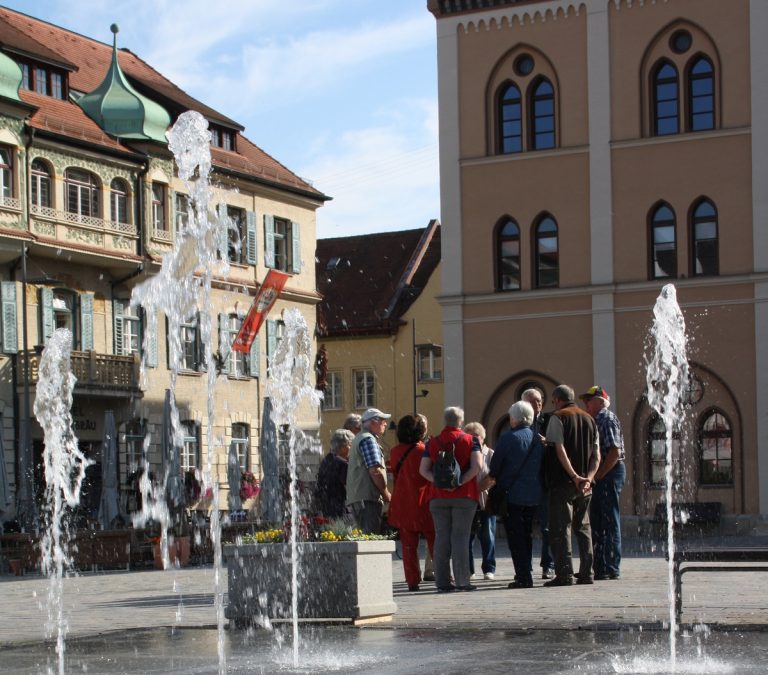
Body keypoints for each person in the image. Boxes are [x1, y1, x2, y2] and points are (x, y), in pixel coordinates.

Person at [419, 406, 482, 592]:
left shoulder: (433, 442)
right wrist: (460, 481)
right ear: (461, 422)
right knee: (460, 537)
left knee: (441, 538)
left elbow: (423, 470)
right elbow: (477, 465)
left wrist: (439, 483)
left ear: (445, 421)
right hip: (465, 496)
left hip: (438, 497)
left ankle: (443, 582)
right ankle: (463, 581)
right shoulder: (471, 440)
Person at [543, 384, 600, 587]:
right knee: (583, 527)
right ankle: (587, 572)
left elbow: (559, 449)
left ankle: (564, 574)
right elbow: (596, 454)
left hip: (563, 482)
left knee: (561, 528)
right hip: (585, 484)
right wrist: (589, 477)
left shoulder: (558, 417)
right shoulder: (590, 419)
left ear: (557, 400)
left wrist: (574, 476)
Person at [489, 401, 544, 589]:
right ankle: (526, 570)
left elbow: (495, 467)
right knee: (527, 534)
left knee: (515, 537)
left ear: (514, 418)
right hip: (534, 495)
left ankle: (523, 575)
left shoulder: (507, 438)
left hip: (512, 496)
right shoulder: (538, 439)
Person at [580, 385, 626, 581]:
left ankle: (610, 566)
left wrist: (598, 475)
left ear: (600, 401)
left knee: (608, 520)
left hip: (609, 472)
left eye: (589, 400)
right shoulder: (597, 419)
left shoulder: (605, 419)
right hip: (605, 472)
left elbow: (614, 452)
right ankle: (601, 566)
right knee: (599, 520)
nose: (586, 404)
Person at [388, 414, 435, 592]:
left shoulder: (394, 451)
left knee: (408, 546)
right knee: (434, 542)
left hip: (403, 503)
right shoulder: (424, 451)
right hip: (424, 501)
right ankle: (444, 576)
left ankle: (412, 580)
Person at [522, 387, 555, 580]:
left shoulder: (549, 420)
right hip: (526, 482)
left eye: (539, 401)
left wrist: (548, 443)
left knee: (547, 526)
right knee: (524, 526)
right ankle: (525, 567)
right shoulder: (519, 423)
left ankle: (547, 564)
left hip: (544, 480)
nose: (537, 404)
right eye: (533, 401)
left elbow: (560, 445)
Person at [346, 408, 392, 533]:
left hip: (358, 498)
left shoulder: (358, 438)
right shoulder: (368, 440)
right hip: (367, 499)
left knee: (364, 538)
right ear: (373, 422)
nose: (385, 424)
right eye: (382, 420)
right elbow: (375, 471)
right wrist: (386, 494)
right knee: (370, 541)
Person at [464, 421, 496, 580]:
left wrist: (480, 487)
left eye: (477, 437)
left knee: (488, 535)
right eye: (470, 438)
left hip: (485, 500)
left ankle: (489, 568)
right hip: (467, 501)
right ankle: (469, 570)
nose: (474, 441)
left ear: (483, 438)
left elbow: (495, 475)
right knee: (467, 537)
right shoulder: (464, 453)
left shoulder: (490, 454)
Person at [315, 428, 354, 519]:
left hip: (325, 505)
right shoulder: (342, 465)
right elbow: (349, 486)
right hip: (338, 507)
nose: (351, 448)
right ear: (344, 446)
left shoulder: (327, 459)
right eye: (350, 445)